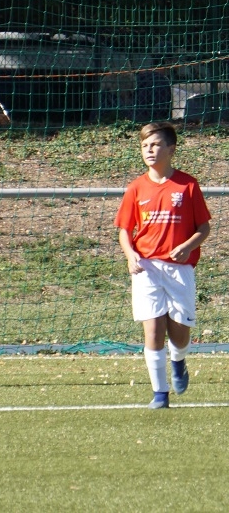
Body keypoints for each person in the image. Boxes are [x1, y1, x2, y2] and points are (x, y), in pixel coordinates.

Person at [115, 122, 211, 409]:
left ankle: (179, 361)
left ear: (171, 149)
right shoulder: (136, 187)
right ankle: (160, 393)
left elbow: (203, 228)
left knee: (179, 334)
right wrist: (130, 255)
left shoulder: (187, 185)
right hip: (146, 268)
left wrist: (187, 246)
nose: (149, 150)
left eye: (155, 144)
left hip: (179, 269)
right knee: (154, 331)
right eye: (145, 145)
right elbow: (124, 230)